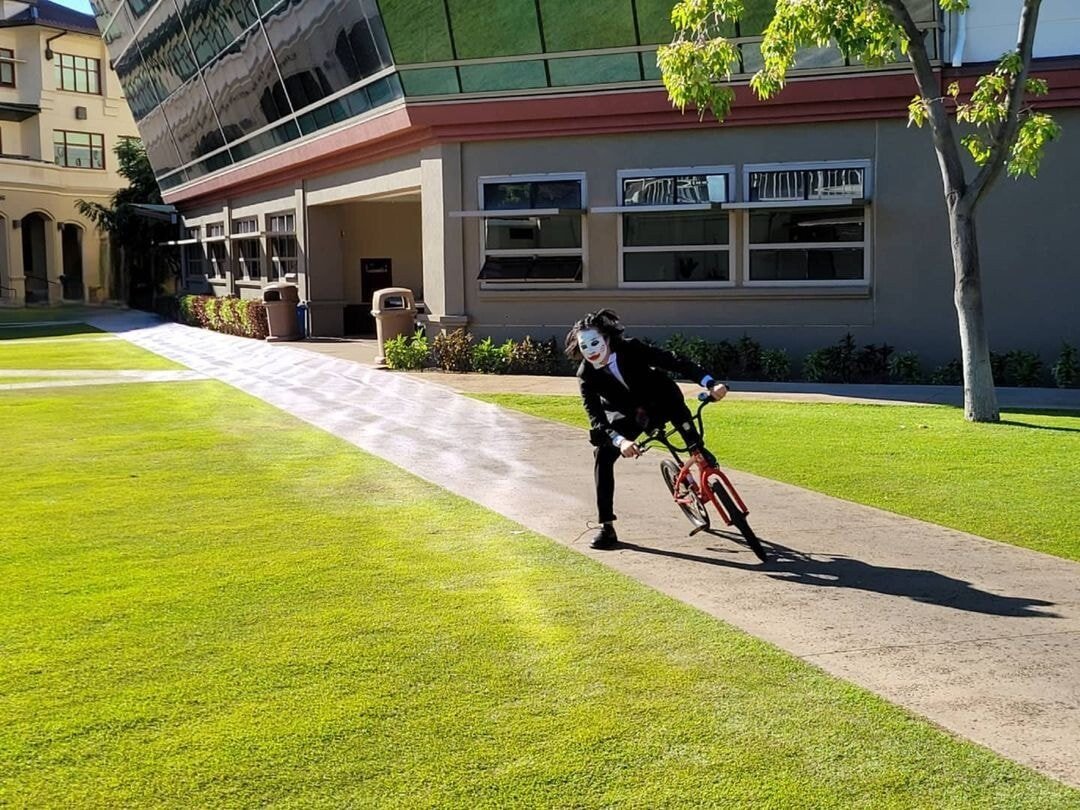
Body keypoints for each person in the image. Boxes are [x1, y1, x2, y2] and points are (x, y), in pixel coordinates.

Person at [565, 309, 728, 550]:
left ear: (608, 339)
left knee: (682, 422)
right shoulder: (586, 376)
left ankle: (698, 452)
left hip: (661, 400)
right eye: (585, 346)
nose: (592, 350)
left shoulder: (631, 348)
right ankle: (607, 526)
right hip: (630, 416)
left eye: (595, 342)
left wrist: (710, 383)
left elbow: (674, 361)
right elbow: (596, 418)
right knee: (602, 454)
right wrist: (621, 442)